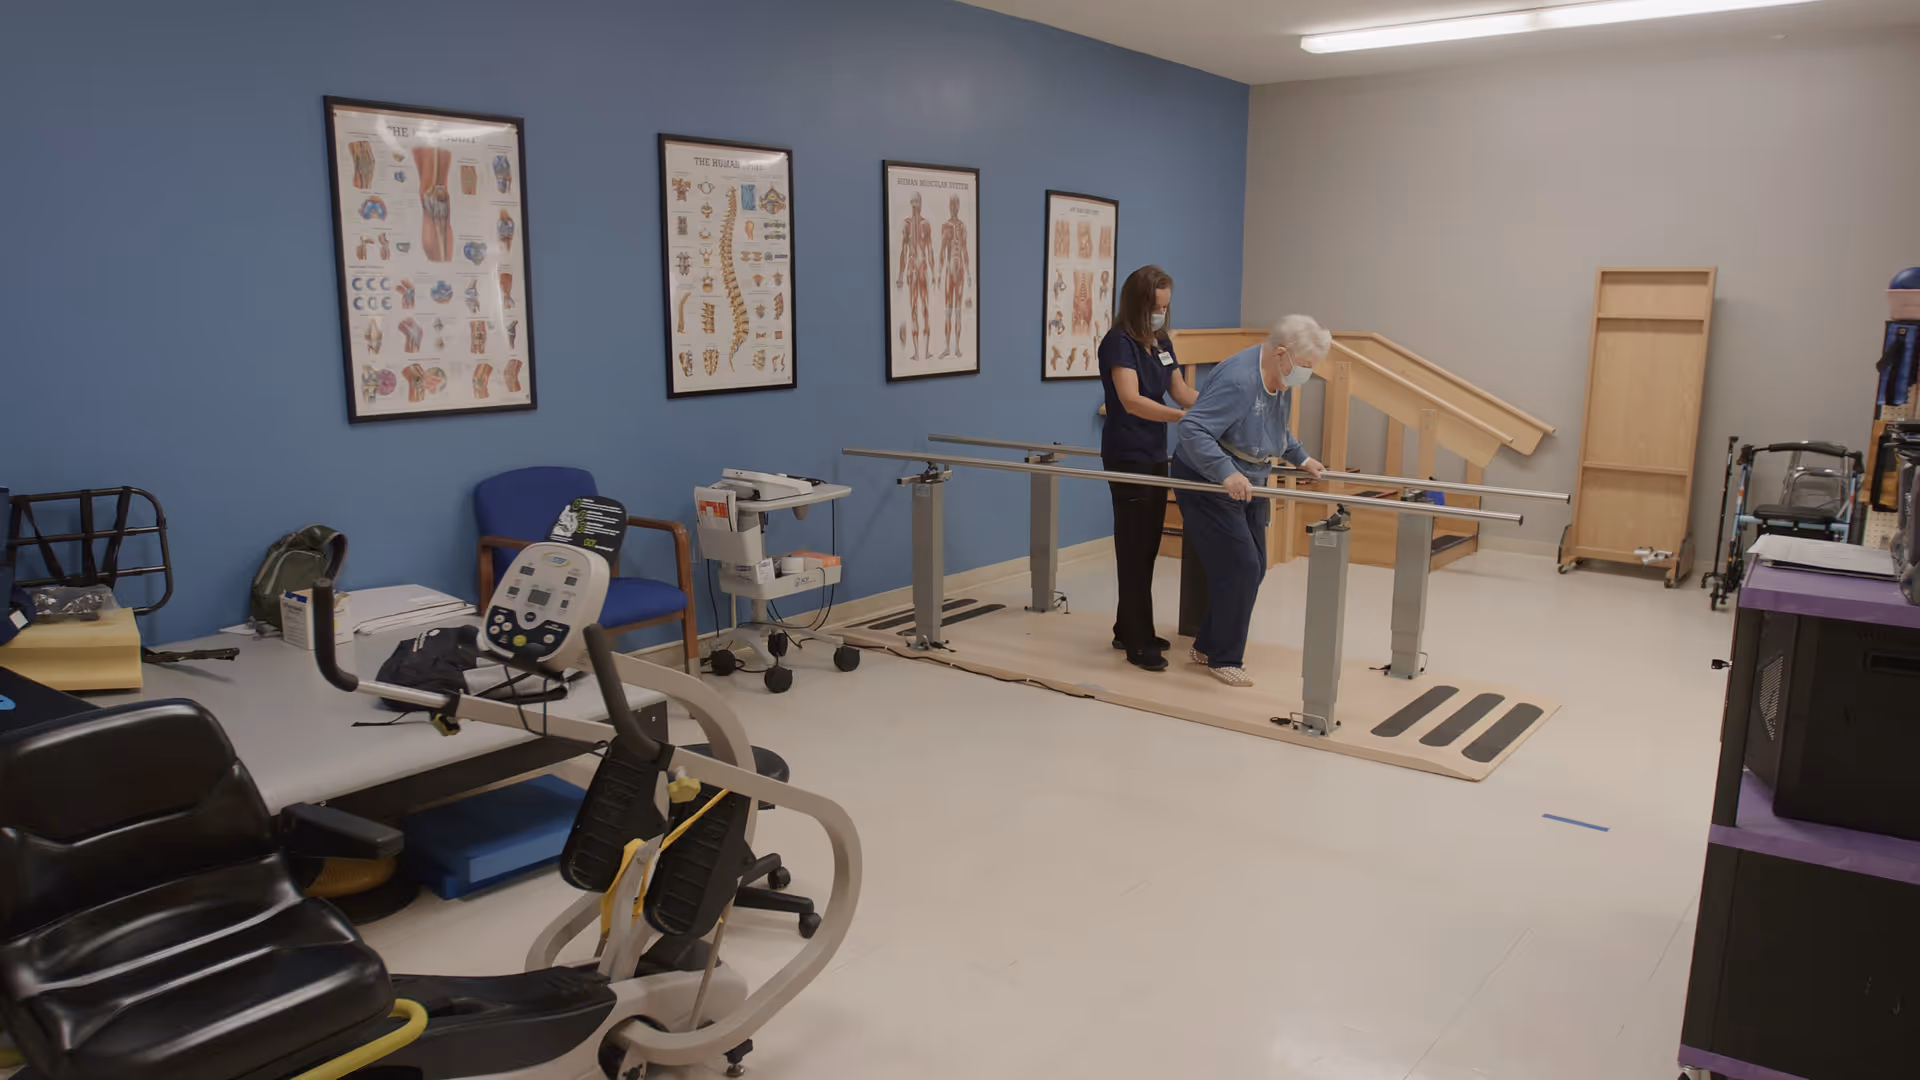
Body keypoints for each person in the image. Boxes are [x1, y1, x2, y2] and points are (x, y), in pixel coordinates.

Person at [1172, 315, 1330, 687]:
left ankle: (1208, 645)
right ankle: (1224, 658)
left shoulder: (1278, 375)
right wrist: (1226, 473)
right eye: (1305, 367)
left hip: (1251, 477)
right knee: (1241, 565)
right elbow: (1192, 428)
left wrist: (1301, 458)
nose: (1305, 375)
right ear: (1281, 354)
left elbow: (1275, 429)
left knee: (1254, 566)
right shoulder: (1239, 380)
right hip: (1208, 477)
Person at [1098, 266, 1198, 671]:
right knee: (1134, 547)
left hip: (1155, 451)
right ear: (1139, 303)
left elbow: (1179, 390)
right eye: (1156, 307)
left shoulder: (1159, 340)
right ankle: (1137, 640)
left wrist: (1211, 408)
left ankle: (1128, 625)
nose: (1161, 314)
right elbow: (1132, 400)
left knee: (1148, 546)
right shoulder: (1117, 343)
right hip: (1127, 452)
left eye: (1166, 307)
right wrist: (1180, 419)